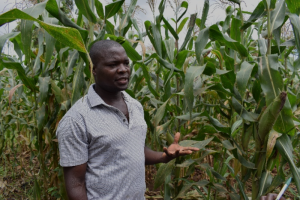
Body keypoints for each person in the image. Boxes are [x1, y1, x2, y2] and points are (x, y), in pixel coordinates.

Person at [56, 40, 199, 200]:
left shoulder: (135, 105)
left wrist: (164, 157)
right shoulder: (77, 119)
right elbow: (76, 184)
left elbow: (133, 149)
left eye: (126, 63)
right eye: (113, 65)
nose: (123, 70)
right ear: (93, 69)